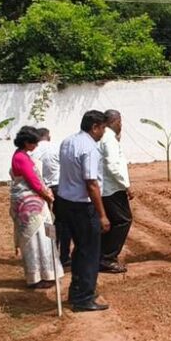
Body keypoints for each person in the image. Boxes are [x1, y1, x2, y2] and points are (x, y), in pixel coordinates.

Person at [54, 110, 111, 312]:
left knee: (79, 250)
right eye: (103, 128)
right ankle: (84, 298)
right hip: (81, 205)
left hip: (64, 202)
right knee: (89, 252)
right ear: (95, 127)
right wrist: (102, 214)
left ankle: (77, 291)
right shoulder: (90, 148)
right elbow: (91, 183)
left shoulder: (67, 141)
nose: (104, 132)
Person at [9, 127, 64, 290]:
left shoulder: (22, 155)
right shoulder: (22, 158)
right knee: (36, 238)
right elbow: (34, 181)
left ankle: (44, 273)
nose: (36, 146)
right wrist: (47, 195)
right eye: (34, 143)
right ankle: (37, 276)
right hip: (30, 205)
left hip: (31, 203)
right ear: (27, 142)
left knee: (41, 236)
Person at [98, 109, 132, 274]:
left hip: (107, 188)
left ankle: (102, 256)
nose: (121, 125)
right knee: (123, 220)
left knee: (111, 223)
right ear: (115, 121)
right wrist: (126, 185)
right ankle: (107, 258)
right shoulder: (109, 139)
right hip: (113, 188)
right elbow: (113, 165)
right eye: (120, 122)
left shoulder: (104, 137)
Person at [34, 127, 68, 265]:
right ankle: (64, 255)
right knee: (63, 221)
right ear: (49, 136)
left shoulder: (32, 152)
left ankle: (49, 252)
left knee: (46, 221)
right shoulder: (56, 147)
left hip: (41, 190)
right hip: (59, 187)